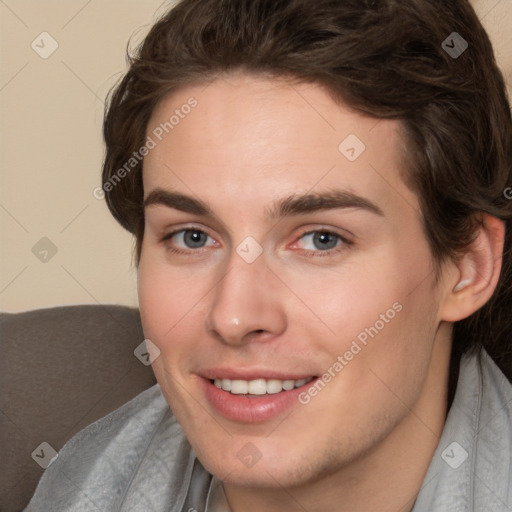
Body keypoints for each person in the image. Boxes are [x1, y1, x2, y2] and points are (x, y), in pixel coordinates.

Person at [25, 0, 512, 510]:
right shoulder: (72, 485)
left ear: (467, 268)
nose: (234, 316)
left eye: (322, 239)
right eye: (192, 237)